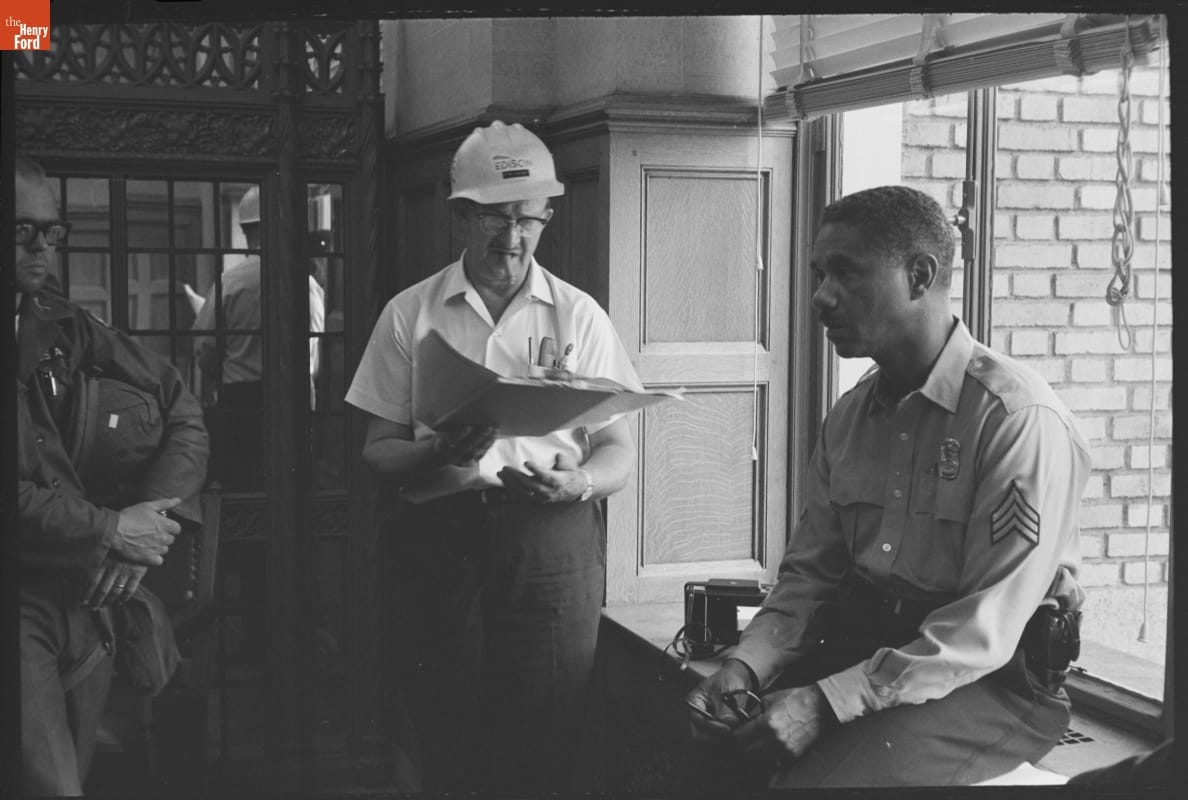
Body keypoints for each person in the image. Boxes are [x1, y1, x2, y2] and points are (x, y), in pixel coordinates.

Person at [686, 185, 1092, 788]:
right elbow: (810, 576)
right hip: (871, 652)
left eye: (845, 273)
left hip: (990, 683)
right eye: (820, 274)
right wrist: (746, 665)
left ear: (920, 276)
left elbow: (983, 631)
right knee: (715, 754)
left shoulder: (1014, 419)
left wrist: (824, 702)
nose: (821, 296)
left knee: (819, 787)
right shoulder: (852, 416)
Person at [345, 120, 642, 793]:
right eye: (495, 218)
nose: (512, 237)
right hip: (440, 543)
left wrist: (578, 482)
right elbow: (377, 456)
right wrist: (435, 452)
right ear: (460, 215)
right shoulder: (409, 314)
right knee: (450, 734)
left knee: (548, 738)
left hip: (552, 542)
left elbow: (619, 453)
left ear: (547, 218)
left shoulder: (579, 315)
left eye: (527, 219)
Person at [15, 156, 210, 796]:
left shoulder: (61, 323)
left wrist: (149, 520)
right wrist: (110, 531)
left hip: (89, 593)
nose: (42, 246)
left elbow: (181, 406)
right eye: (21, 230)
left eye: (52, 230)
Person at [189, 185, 325, 490]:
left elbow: (205, 350)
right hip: (296, 396)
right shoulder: (307, 285)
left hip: (241, 399)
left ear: (246, 231)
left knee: (243, 484)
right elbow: (314, 353)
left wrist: (219, 373)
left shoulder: (229, 283)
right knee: (293, 482)